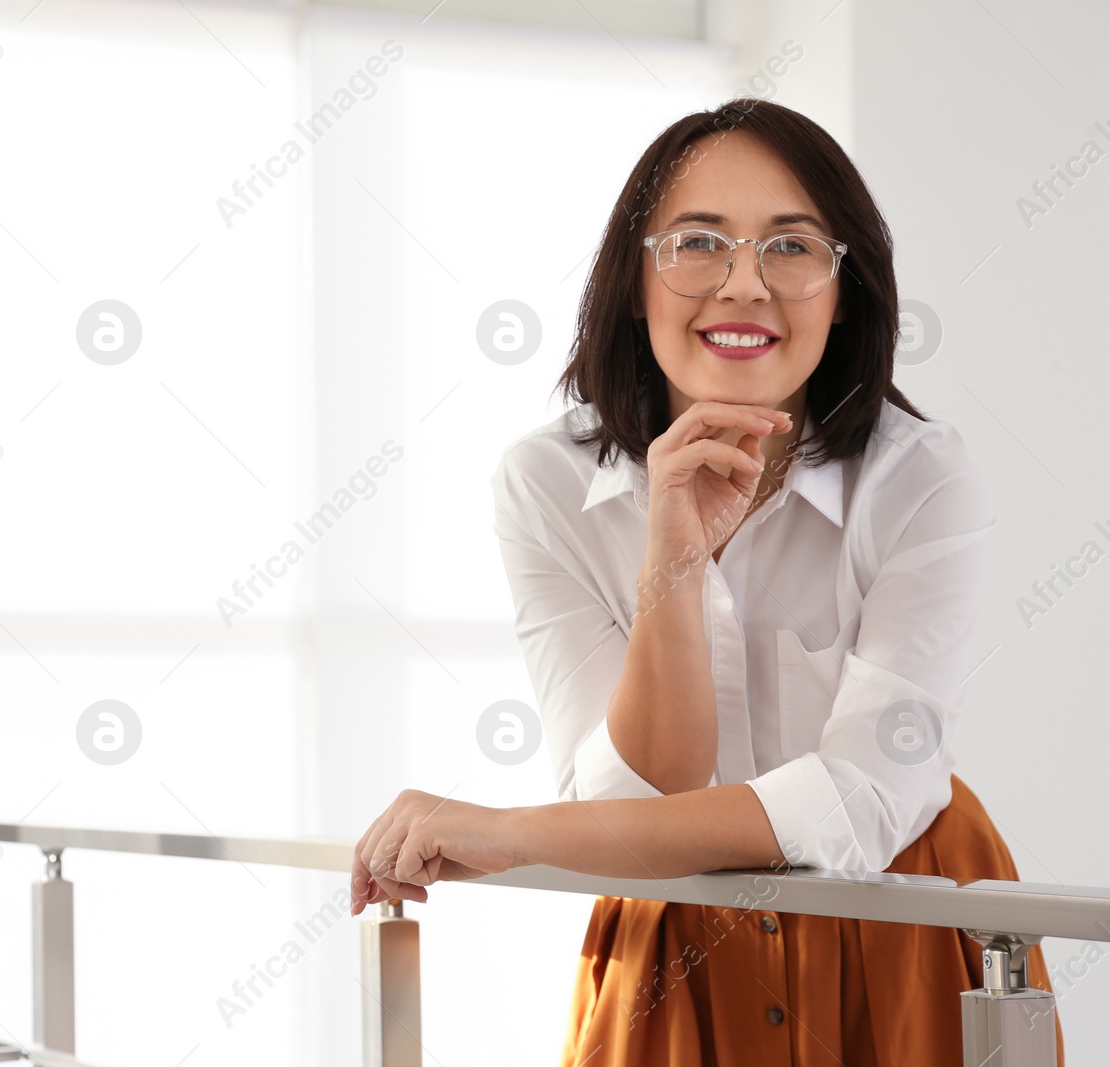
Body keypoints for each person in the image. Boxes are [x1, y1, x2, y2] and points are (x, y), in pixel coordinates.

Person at [347, 98, 1065, 1065]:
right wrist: (672, 560)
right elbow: (633, 796)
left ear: (844, 289)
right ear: (635, 282)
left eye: (792, 246)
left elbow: (862, 801)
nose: (744, 285)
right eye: (697, 243)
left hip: (903, 915)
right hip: (673, 925)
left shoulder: (924, 476)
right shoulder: (547, 482)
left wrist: (510, 832)